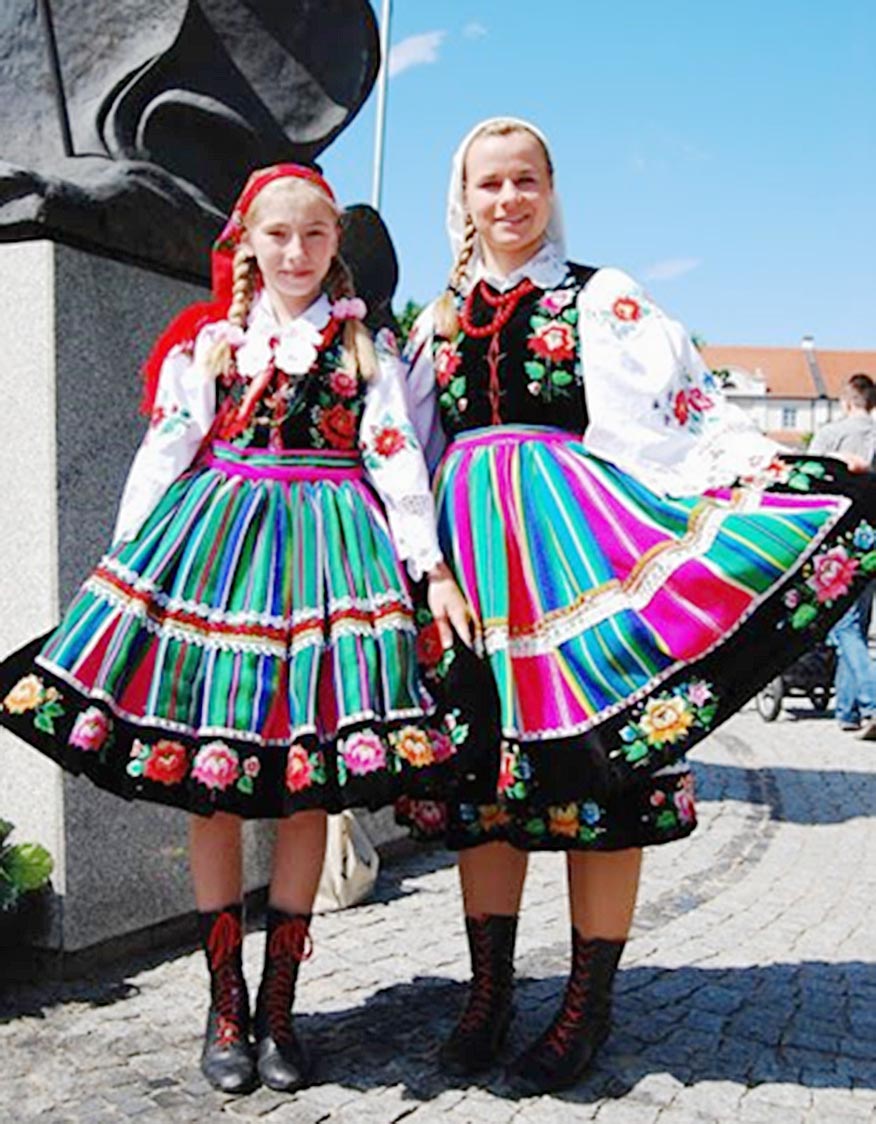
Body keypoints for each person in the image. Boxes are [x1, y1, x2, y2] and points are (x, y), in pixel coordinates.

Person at [399, 117, 876, 1094]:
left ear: (550, 188)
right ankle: (488, 995)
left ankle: (586, 1003)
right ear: (464, 197)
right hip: (471, 569)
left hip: (575, 550)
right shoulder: (435, 321)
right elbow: (405, 450)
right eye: (490, 182)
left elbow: (684, 417)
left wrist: (778, 473)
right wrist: (419, 568)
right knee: (484, 785)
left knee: (602, 772)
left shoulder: (597, 296)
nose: (508, 198)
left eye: (525, 179)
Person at [0, 164, 471, 1095]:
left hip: (333, 562)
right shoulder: (212, 345)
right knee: (210, 783)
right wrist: (123, 561)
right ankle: (226, 1005)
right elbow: (166, 448)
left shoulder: (363, 350)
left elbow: (395, 460)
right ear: (248, 242)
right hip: (220, 558)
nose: (297, 251)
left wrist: (429, 566)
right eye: (279, 234)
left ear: (335, 246)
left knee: (308, 789)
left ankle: (280, 1008)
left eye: (315, 235)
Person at [809, 373, 876, 735]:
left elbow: (807, 483)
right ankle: (848, 712)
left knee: (845, 627)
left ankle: (872, 701)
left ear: (847, 403)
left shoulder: (830, 434)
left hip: (840, 540)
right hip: (874, 538)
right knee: (857, 627)